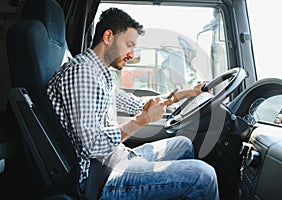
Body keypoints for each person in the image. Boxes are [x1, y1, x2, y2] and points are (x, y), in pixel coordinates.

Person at [47, 7, 219, 200]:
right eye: (129, 45)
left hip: (116, 158)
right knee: (204, 176)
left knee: (184, 144)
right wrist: (142, 120)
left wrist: (187, 93)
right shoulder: (82, 73)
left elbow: (135, 104)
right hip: (102, 177)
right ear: (108, 37)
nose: (132, 54)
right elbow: (92, 145)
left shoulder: (100, 74)